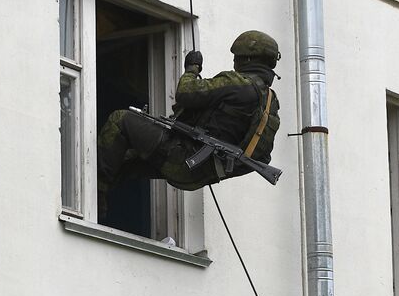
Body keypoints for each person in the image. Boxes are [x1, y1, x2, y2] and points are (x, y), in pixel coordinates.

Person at [96, 30, 282, 215]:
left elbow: (185, 92)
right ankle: (98, 207)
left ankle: (96, 193)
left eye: (237, 58)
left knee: (120, 119)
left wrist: (192, 68)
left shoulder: (237, 83)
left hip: (182, 157)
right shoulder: (270, 103)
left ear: (247, 60)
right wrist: (218, 167)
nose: (234, 63)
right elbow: (261, 157)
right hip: (197, 173)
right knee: (125, 158)